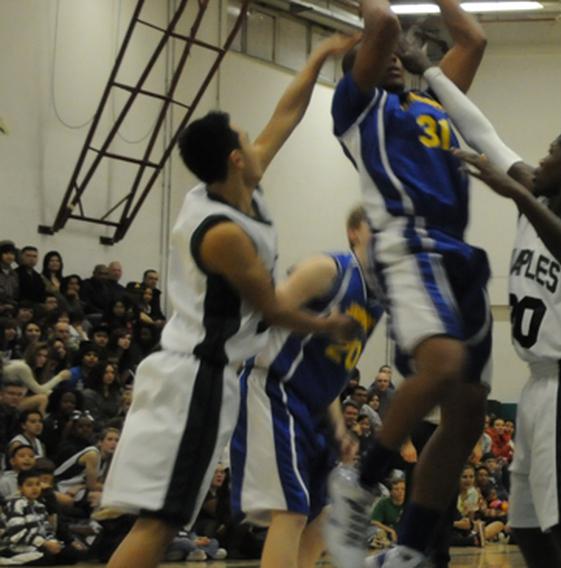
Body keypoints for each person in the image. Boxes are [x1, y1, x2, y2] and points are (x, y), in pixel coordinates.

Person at [100, 32, 360, 568]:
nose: (258, 138)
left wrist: (315, 58)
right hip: (196, 376)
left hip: (202, 373)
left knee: (161, 519)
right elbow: (274, 310)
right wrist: (331, 324)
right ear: (237, 159)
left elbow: (286, 114)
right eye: (247, 137)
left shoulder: (236, 185)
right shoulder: (222, 232)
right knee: (162, 520)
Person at [396, 49, 561, 568]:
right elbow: (482, 133)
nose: (536, 161)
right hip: (539, 387)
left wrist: (518, 198)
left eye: (548, 154)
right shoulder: (537, 194)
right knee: (529, 531)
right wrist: (428, 69)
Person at [325, 0, 491, 566]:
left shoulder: (430, 102)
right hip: (408, 242)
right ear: (363, 66)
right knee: (442, 366)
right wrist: (381, 30)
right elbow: (386, 23)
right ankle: (362, 482)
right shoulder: (355, 107)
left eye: (401, 55)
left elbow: (472, 40)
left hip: (460, 252)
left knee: (469, 409)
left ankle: (411, 547)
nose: (396, 56)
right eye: (383, 54)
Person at [230, 205, 384, 568]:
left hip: (314, 407)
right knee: (292, 511)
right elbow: (269, 309)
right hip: (275, 389)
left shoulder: (375, 303)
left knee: (320, 518)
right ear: (354, 232)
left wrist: (339, 427)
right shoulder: (329, 268)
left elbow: (328, 370)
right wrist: (327, 324)